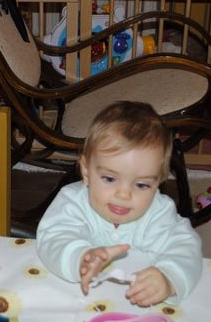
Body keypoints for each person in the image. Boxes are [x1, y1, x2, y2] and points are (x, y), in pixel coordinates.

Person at [36, 101, 202, 306]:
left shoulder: (159, 212)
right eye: (109, 179)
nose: (123, 195)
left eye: (141, 185)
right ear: (86, 171)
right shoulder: (72, 201)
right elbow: (53, 238)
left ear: (159, 181)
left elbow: (186, 248)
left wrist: (168, 278)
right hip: (79, 303)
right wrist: (80, 258)